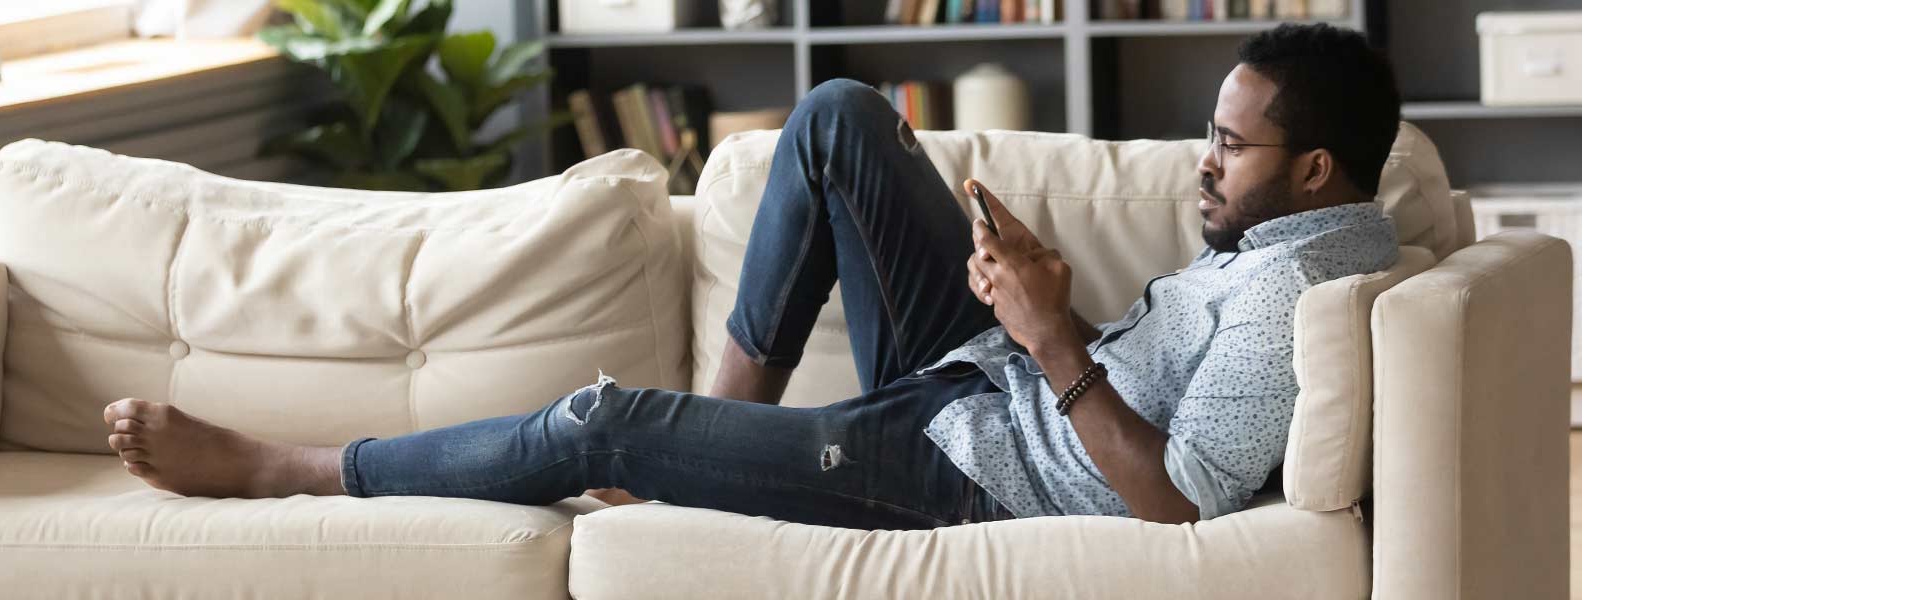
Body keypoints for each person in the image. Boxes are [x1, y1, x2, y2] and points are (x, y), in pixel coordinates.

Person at [99, 23, 1403, 529]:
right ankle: (724, 440)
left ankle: (288, 467)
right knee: (838, 116)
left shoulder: (1296, 298)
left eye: (1232, 146)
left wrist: (1056, 335)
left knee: (600, 421)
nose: (1204, 160)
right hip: (993, 384)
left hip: (970, 464)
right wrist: (1043, 310)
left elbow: (1179, 499)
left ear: (1315, 169)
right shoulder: (1289, 242)